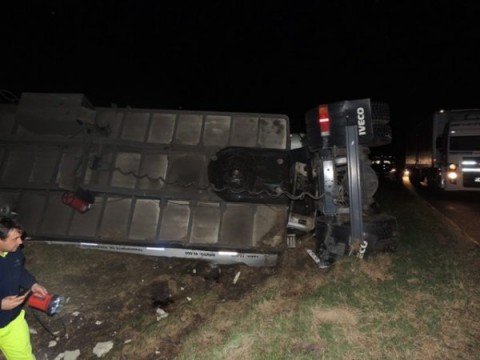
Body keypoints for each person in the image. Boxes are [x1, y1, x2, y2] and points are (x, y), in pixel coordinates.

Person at [0, 217, 48, 359]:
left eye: (20, 237)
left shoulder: (14, 252)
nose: (21, 242)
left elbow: (19, 271)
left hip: (11, 322)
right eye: (15, 239)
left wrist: (32, 284)